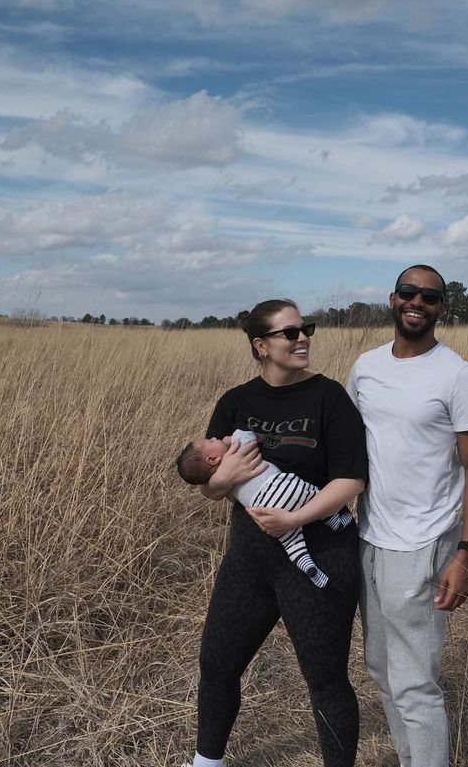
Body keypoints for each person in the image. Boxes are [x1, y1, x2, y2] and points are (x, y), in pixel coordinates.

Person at [188, 300, 367, 767]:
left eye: (305, 329)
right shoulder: (235, 402)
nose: (302, 338)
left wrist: (295, 519)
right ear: (260, 345)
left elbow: (351, 480)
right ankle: (206, 763)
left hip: (320, 555)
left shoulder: (329, 398)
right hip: (250, 558)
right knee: (217, 663)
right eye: (289, 333)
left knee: (325, 679)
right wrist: (224, 481)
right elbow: (210, 484)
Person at [346, 265, 468, 767]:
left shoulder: (458, 376)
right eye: (409, 292)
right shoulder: (366, 367)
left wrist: (464, 555)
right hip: (369, 536)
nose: (417, 302)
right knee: (380, 668)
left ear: (442, 308)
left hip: (424, 542)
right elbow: (346, 445)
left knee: (414, 684)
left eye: (430, 297)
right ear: (392, 299)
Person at [175, 428, 353, 587]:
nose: (214, 437)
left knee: (291, 542)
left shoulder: (227, 488)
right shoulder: (236, 450)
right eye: (210, 441)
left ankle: (308, 566)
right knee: (314, 495)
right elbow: (247, 436)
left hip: (265, 513)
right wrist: (231, 439)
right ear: (213, 459)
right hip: (281, 487)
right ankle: (333, 520)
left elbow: (226, 496)